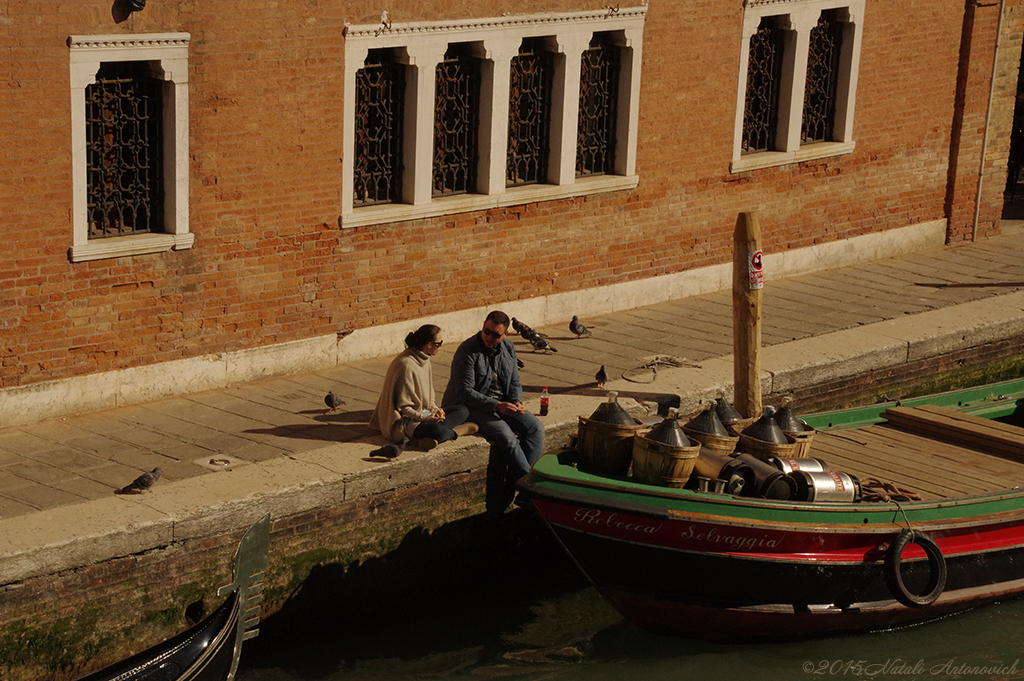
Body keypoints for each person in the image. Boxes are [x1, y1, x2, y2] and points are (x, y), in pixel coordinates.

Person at [442, 310, 545, 480]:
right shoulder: (467, 351)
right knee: (507, 437)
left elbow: (514, 381)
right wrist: (497, 406)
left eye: (495, 335)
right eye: (486, 332)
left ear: (505, 334)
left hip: (503, 403)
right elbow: (464, 392)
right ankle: (528, 485)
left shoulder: (509, 348)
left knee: (536, 428)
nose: (489, 337)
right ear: (483, 326)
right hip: (470, 407)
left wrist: (516, 401)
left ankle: (523, 483)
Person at [370, 324, 475, 450]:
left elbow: (428, 397)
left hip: (424, 413)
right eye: (439, 343)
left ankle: (428, 437)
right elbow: (404, 408)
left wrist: (435, 411)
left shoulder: (425, 358)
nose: (441, 346)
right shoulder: (406, 365)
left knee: (463, 410)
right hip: (406, 422)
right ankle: (455, 432)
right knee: (438, 431)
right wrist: (425, 418)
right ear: (429, 344)